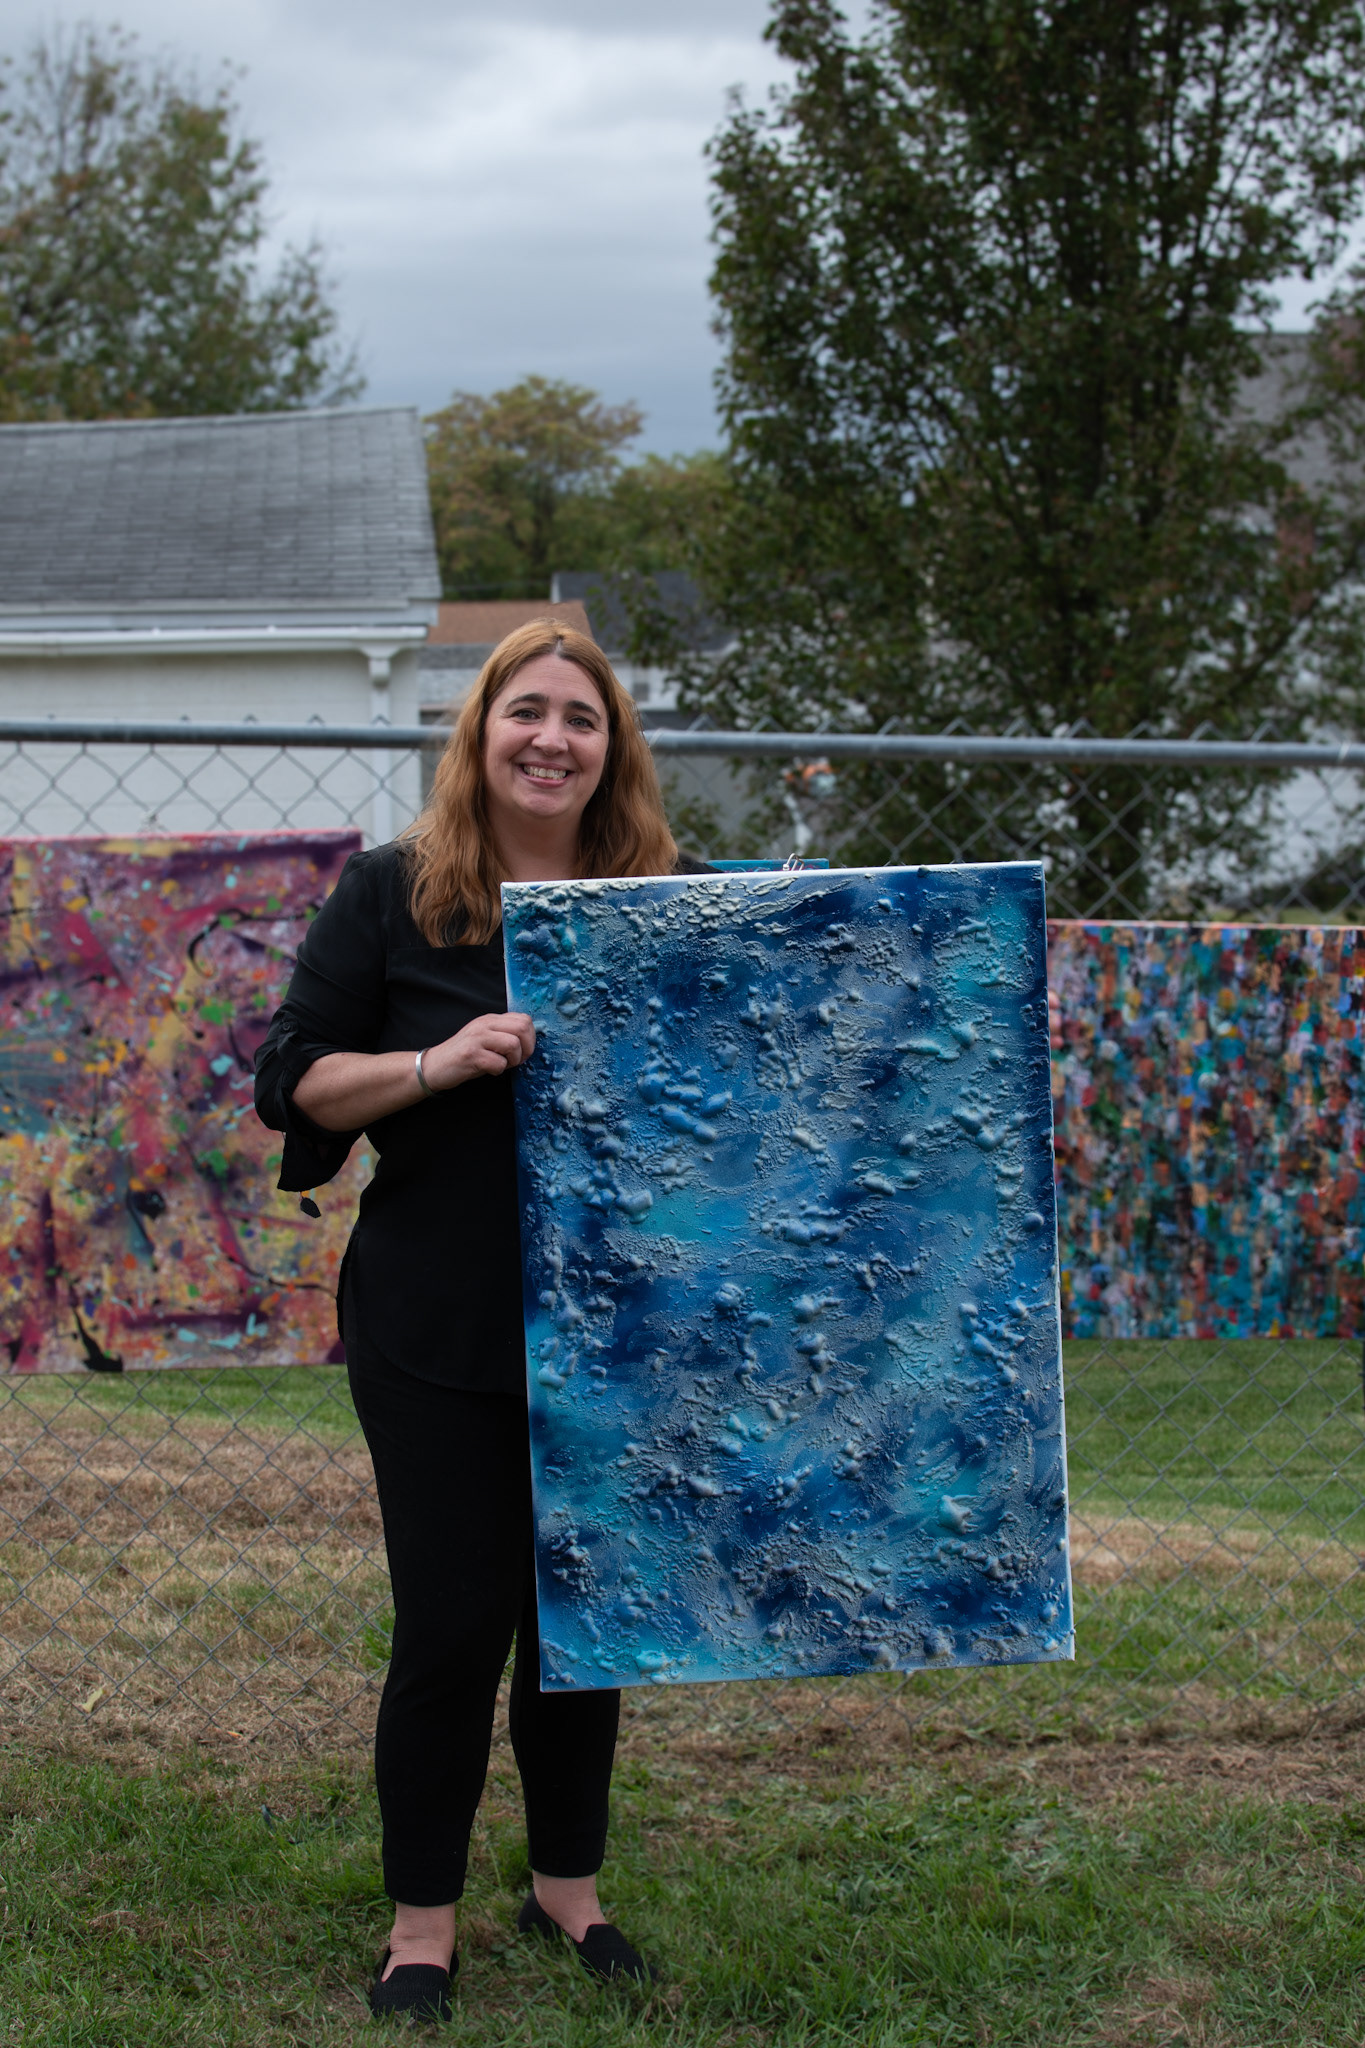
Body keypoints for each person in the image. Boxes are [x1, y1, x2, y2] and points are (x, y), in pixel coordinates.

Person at [254, 621, 709, 2021]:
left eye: (582, 717)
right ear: (481, 731)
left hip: (618, 1330)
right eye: (527, 711)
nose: (552, 739)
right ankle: (421, 1926)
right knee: (454, 1628)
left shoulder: (667, 904)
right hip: (436, 1325)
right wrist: (435, 1062)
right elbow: (291, 1083)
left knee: (586, 1624)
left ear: (612, 750)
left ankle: (568, 1890)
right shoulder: (393, 894)